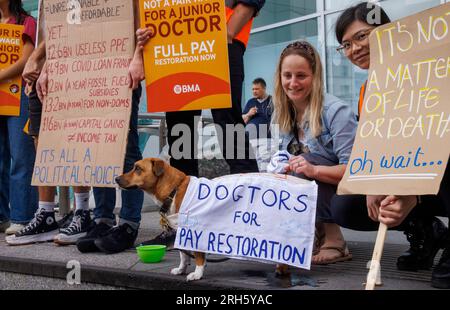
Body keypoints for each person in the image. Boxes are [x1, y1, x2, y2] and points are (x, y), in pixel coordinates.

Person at [330, 2, 448, 278]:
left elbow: (440, 140)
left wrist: (412, 193)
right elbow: (378, 143)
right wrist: (372, 182)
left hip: (439, 176)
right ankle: (425, 233)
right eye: (345, 44)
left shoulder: (431, 71)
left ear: (389, 32)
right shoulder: (366, 91)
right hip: (413, 180)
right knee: (346, 206)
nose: (354, 49)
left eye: (361, 36)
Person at [135, 0, 265, 247]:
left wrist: (228, 31)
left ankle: (253, 220)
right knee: (179, 135)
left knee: (229, 128)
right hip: (174, 44)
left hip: (220, 41)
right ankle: (182, 225)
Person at [7, 1, 92, 245]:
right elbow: (48, 25)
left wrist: (37, 56)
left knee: (75, 136)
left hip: (71, 64)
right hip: (42, 70)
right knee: (41, 139)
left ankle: (83, 211)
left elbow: (71, 19)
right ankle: (45, 213)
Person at [273, 40, 357, 265]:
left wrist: (314, 169)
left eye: (301, 76)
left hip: (353, 195)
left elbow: (356, 170)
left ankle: (335, 241)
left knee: (305, 163)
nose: (293, 83)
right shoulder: (284, 114)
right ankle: (313, 237)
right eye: (287, 75)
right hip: (322, 186)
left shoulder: (336, 111)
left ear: (315, 76)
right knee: (290, 166)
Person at [0, 0, 38, 235]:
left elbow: (26, 60)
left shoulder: (26, 22)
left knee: (21, 155)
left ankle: (23, 217)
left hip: (18, 95)